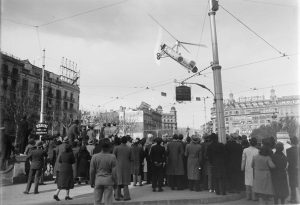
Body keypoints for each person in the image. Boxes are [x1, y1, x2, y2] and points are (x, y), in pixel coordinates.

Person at [90, 140, 116, 205]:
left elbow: (92, 171)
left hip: (98, 180)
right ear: (109, 147)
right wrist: (115, 182)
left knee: (97, 201)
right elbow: (114, 172)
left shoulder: (94, 157)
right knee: (108, 202)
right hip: (108, 181)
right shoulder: (112, 157)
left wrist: (92, 181)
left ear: (101, 147)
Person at [113, 136, 132, 201]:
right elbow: (131, 158)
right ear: (126, 141)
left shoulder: (116, 148)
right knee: (125, 182)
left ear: (121, 141)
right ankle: (126, 197)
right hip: (126, 166)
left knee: (119, 181)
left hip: (118, 166)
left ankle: (117, 196)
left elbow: (113, 157)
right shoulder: (129, 148)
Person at [286, 136, 299, 204]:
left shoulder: (288, 150)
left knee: (292, 185)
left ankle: (293, 199)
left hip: (292, 169)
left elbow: (288, 160)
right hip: (298, 168)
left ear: (291, 142)